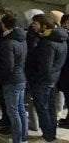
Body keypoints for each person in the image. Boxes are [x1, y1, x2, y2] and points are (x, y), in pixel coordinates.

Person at [26, 13, 68, 142]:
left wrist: (34, 79)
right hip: (52, 78)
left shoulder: (47, 43)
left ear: (44, 26)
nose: (33, 26)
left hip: (42, 81)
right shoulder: (60, 39)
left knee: (43, 108)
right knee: (49, 107)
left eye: (36, 24)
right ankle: (51, 133)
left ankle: (48, 136)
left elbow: (45, 67)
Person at [0, 13, 28, 143]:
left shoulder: (8, 43)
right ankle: (23, 138)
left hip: (11, 81)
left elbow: (8, 67)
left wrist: (1, 79)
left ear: (3, 25)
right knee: (20, 109)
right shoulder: (22, 39)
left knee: (13, 111)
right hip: (21, 78)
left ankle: (17, 140)